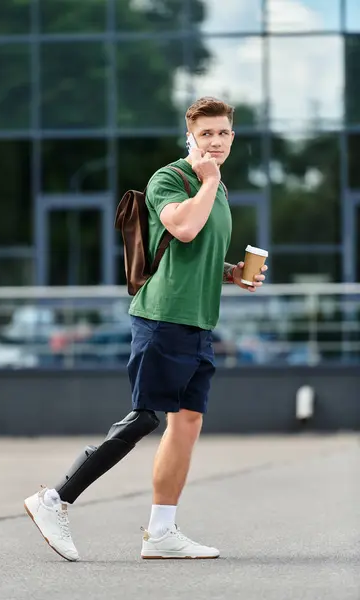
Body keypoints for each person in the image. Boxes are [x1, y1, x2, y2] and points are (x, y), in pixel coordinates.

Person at [24, 96, 267, 561]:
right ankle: (54, 499)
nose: (215, 142)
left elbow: (197, 256)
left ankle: (161, 532)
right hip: (162, 319)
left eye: (223, 133)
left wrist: (232, 271)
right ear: (190, 136)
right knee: (145, 417)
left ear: (232, 138)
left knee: (188, 422)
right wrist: (209, 180)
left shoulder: (219, 190)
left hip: (198, 323)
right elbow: (185, 230)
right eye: (206, 134)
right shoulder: (170, 179)